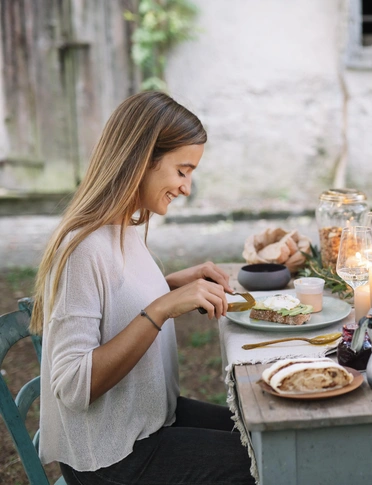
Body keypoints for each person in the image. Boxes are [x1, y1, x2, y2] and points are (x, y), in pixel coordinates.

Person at [31, 91, 255, 484]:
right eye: (182, 170)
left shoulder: (124, 226)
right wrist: (165, 305)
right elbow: (73, 386)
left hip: (147, 423)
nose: (186, 187)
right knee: (270, 461)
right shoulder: (83, 248)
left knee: (270, 434)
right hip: (111, 457)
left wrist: (171, 286)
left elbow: (114, 304)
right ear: (143, 159)